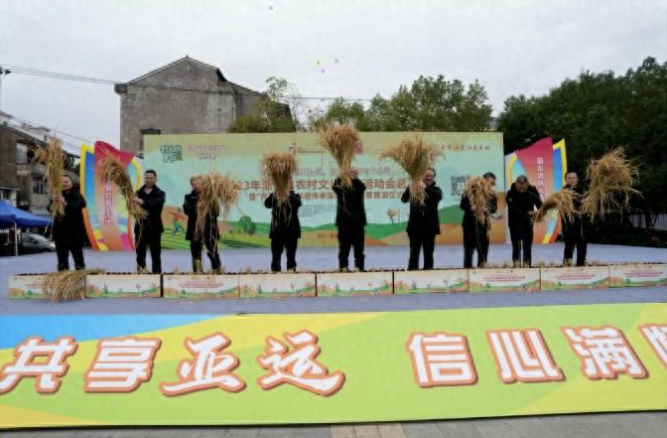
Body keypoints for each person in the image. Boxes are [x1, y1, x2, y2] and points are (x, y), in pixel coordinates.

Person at [401, 168, 443, 270]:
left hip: (430, 228)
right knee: (414, 254)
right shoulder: (414, 188)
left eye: (431, 176)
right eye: (427, 175)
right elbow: (404, 199)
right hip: (415, 227)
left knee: (428, 254)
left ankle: (428, 273)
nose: (429, 178)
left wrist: (425, 187)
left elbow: (436, 197)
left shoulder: (436, 190)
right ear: (422, 176)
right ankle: (412, 273)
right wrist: (411, 187)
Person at [183, 176, 222, 273]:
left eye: (199, 183)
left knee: (213, 251)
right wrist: (198, 207)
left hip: (209, 230)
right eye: (195, 184)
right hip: (195, 230)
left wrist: (208, 206)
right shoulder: (189, 197)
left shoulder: (211, 196)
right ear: (192, 185)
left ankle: (217, 269)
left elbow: (217, 212)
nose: (197, 185)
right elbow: (186, 210)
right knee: (196, 253)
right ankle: (198, 271)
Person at [460, 172, 498, 268]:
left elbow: (494, 208)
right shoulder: (470, 191)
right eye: (490, 183)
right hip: (469, 224)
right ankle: (468, 268)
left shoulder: (492, 194)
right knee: (469, 249)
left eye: (493, 184)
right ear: (483, 181)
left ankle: (482, 267)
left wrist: (486, 209)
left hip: (483, 224)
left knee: (483, 248)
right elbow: (462, 205)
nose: (491, 185)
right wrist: (471, 207)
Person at [50, 175, 87, 271]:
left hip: (75, 234)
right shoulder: (57, 194)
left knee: (78, 260)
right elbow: (50, 209)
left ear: (71, 183)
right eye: (62, 182)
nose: (64, 184)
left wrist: (64, 202)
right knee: (61, 261)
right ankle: (64, 277)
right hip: (60, 234)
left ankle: (80, 278)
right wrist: (53, 202)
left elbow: (80, 205)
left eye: (66, 181)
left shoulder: (77, 194)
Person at [132, 169, 165, 273]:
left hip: (154, 228)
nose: (148, 180)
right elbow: (133, 209)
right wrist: (132, 204)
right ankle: (141, 273)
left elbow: (154, 205)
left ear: (155, 179)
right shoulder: (138, 193)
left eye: (151, 178)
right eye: (146, 178)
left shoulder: (160, 193)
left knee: (155, 254)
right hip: (140, 228)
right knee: (140, 254)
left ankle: (157, 275)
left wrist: (140, 201)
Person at [332, 169, 367, 271]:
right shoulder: (341, 188)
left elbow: (363, 187)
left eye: (353, 173)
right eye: (349, 172)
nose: (351, 174)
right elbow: (334, 186)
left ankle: (359, 266)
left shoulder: (359, 186)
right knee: (343, 246)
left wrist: (354, 178)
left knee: (359, 247)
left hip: (357, 222)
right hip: (343, 222)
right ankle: (343, 266)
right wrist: (342, 175)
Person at [506, 175, 542, 267]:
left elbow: (540, 206)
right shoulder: (510, 193)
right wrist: (528, 214)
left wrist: (536, 213)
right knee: (516, 246)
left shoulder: (532, 191)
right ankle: (516, 264)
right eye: (519, 186)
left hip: (527, 224)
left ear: (527, 184)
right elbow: (515, 209)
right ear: (516, 184)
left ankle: (527, 264)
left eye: (523, 186)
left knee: (527, 246)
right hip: (514, 223)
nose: (521, 188)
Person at [265, 189, 302, 272]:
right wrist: (275, 195)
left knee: (291, 254)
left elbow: (299, 203)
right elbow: (267, 204)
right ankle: (275, 270)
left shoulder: (294, 196)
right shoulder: (274, 196)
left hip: (291, 231)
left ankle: (291, 270)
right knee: (276, 254)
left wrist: (287, 195)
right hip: (277, 231)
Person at [562, 171, 588, 266]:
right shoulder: (563, 192)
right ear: (565, 180)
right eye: (569, 178)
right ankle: (567, 263)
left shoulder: (583, 190)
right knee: (569, 244)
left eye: (574, 178)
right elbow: (569, 205)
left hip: (581, 222)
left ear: (577, 179)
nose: (572, 180)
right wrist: (582, 202)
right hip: (568, 222)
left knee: (582, 243)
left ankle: (581, 263)